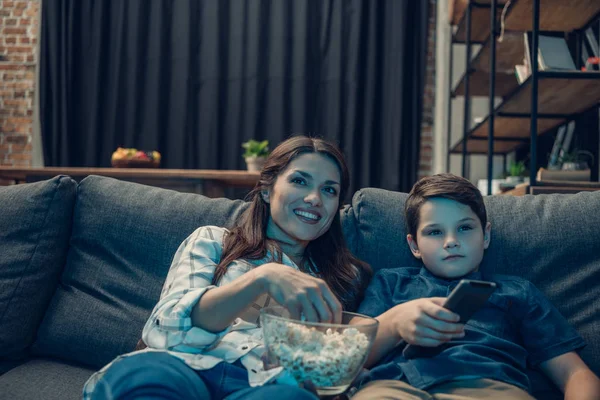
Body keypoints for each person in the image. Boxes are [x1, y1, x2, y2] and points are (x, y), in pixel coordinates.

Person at [83, 135, 371, 400]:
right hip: (182, 367)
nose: (314, 198)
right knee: (148, 376)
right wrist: (262, 278)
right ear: (268, 190)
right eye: (299, 181)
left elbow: (336, 370)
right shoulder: (213, 241)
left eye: (329, 190)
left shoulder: (343, 280)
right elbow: (165, 330)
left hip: (263, 385)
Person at [351, 173, 600, 399]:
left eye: (465, 228)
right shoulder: (391, 282)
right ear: (414, 245)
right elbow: (348, 353)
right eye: (435, 232)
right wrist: (395, 323)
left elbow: (575, 375)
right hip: (397, 386)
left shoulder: (517, 292)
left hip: (491, 388)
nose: (451, 241)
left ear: (486, 235)